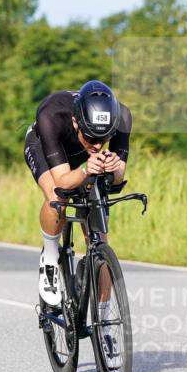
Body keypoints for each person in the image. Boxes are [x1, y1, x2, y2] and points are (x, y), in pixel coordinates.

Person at [23, 79, 131, 307]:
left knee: (99, 239)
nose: (97, 145)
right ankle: (50, 257)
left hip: (84, 160)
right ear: (75, 122)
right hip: (46, 147)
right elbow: (62, 181)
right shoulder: (51, 115)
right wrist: (84, 169)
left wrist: (114, 167)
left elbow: (118, 177)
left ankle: (104, 314)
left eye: (104, 139)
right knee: (57, 197)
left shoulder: (121, 117)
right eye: (91, 137)